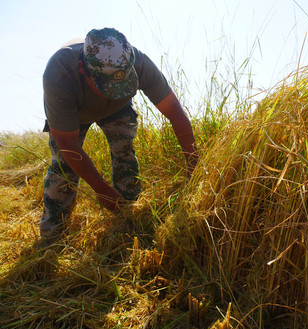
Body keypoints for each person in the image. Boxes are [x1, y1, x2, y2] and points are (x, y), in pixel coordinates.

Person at [40, 27, 198, 244]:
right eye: (108, 85)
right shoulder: (59, 74)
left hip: (118, 107)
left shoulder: (139, 62)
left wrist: (194, 165)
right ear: (83, 69)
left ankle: (129, 217)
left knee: (124, 152)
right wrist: (101, 189)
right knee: (63, 168)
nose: (114, 88)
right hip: (75, 113)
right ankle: (53, 238)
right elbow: (68, 144)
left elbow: (176, 114)